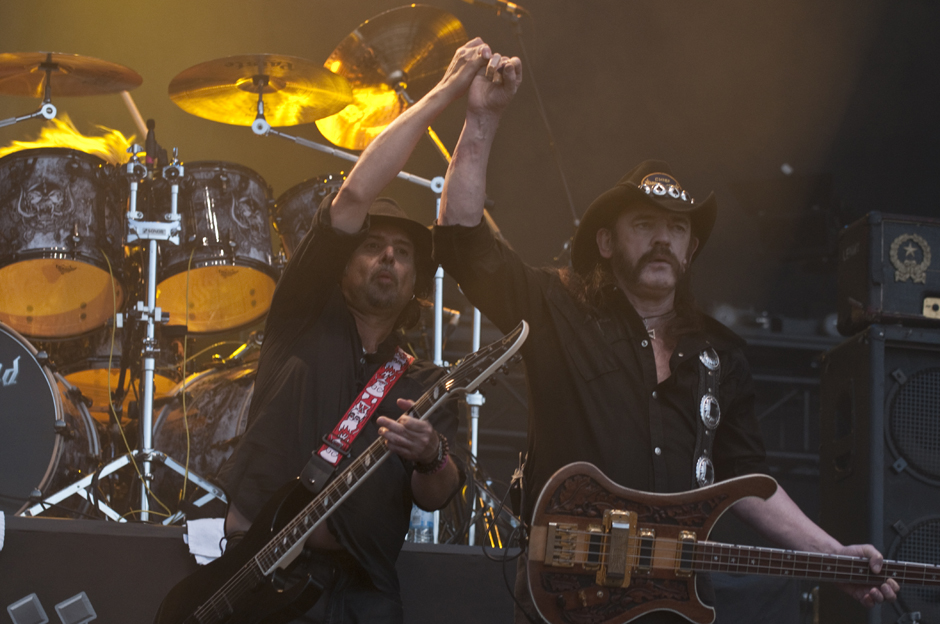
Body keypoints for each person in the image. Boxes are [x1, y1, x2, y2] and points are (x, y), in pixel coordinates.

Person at [430, 50, 900, 622]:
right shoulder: (558, 307)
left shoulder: (721, 353)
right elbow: (462, 238)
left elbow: (748, 481)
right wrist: (482, 118)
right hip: (568, 597)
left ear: (690, 250)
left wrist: (834, 555)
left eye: (676, 228)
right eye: (644, 224)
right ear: (606, 243)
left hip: (673, 603)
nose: (663, 239)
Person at [217, 38, 510, 624]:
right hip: (263, 578)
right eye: (372, 247)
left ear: (415, 281)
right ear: (344, 262)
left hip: (365, 594)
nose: (387, 259)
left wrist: (430, 456)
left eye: (403, 253)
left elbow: (436, 492)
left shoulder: (426, 380)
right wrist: (449, 90)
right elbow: (355, 192)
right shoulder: (303, 318)